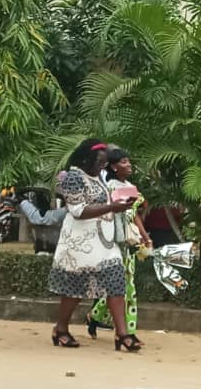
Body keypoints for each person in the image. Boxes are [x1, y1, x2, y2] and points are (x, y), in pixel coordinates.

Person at [47, 139, 139, 350]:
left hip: (104, 242)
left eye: (104, 163)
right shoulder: (73, 177)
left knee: (116, 281)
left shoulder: (98, 177)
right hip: (80, 243)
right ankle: (61, 329)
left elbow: (104, 202)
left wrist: (120, 204)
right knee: (75, 289)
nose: (103, 166)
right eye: (99, 162)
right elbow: (78, 211)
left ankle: (123, 334)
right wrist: (111, 207)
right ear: (85, 159)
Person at [85, 148, 152, 344]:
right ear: (114, 167)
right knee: (127, 288)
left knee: (120, 287)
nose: (129, 165)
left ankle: (95, 316)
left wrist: (144, 235)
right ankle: (127, 332)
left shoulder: (129, 186)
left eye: (128, 161)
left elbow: (134, 214)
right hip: (115, 243)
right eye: (123, 162)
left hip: (129, 242)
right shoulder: (111, 187)